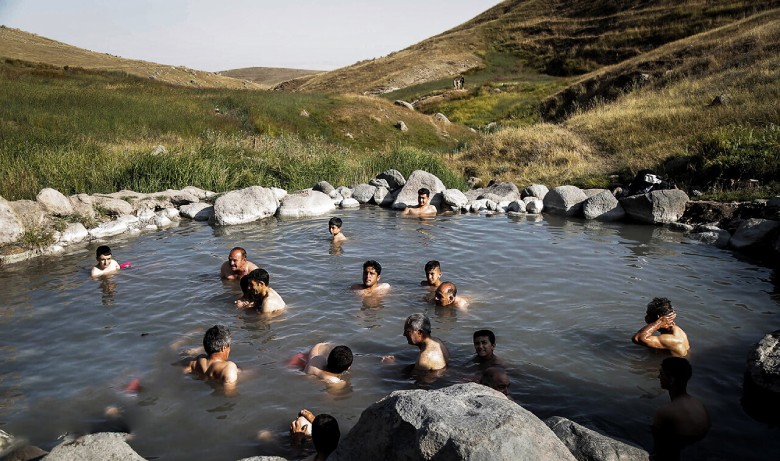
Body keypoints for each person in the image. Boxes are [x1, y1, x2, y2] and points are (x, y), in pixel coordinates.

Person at [652, 357, 710, 460]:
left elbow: (657, 443)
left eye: (661, 373)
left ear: (671, 379)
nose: (658, 377)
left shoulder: (665, 412)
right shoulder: (698, 404)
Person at [184, 325, 238, 391]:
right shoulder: (228, 367)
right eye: (229, 346)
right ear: (223, 348)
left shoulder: (195, 362)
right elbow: (229, 394)